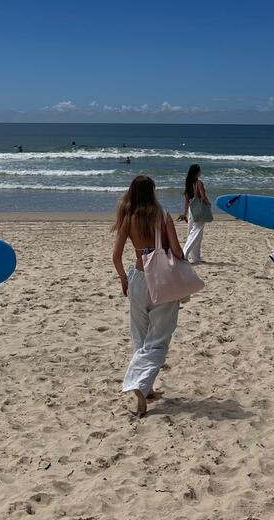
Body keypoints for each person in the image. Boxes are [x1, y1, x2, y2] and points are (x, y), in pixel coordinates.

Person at [112, 175, 184, 416]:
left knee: (140, 337)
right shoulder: (162, 216)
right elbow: (176, 250)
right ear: (152, 191)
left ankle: (148, 387)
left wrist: (124, 279)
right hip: (161, 282)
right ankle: (141, 386)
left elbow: (116, 256)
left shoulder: (128, 218)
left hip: (138, 279)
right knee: (159, 339)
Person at [178, 163, 210, 264]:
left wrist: (185, 213)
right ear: (197, 172)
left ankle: (196, 258)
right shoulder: (198, 183)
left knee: (193, 233)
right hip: (199, 209)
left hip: (191, 210)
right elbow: (203, 196)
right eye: (200, 170)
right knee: (196, 233)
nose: (201, 172)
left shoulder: (188, 183)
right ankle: (184, 254)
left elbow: (187, 200)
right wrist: (209, 203)